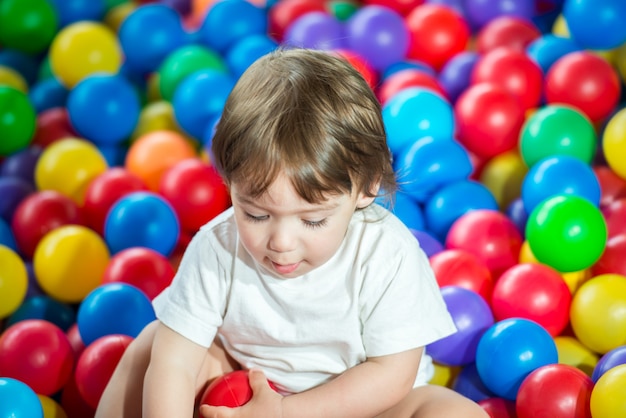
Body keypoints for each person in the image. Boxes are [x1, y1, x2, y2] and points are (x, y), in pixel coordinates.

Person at [95, 47, 488, 418]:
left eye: (312, 220)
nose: (281, 242)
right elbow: (177, 360)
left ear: (366, 187)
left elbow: (393, 374)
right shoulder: (217, 248)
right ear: (229, 182)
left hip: (365, 407)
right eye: (255, 214)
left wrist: (287, 412)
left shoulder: (387, 253)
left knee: (451, 412)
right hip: (245, 387)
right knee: (153, 345)